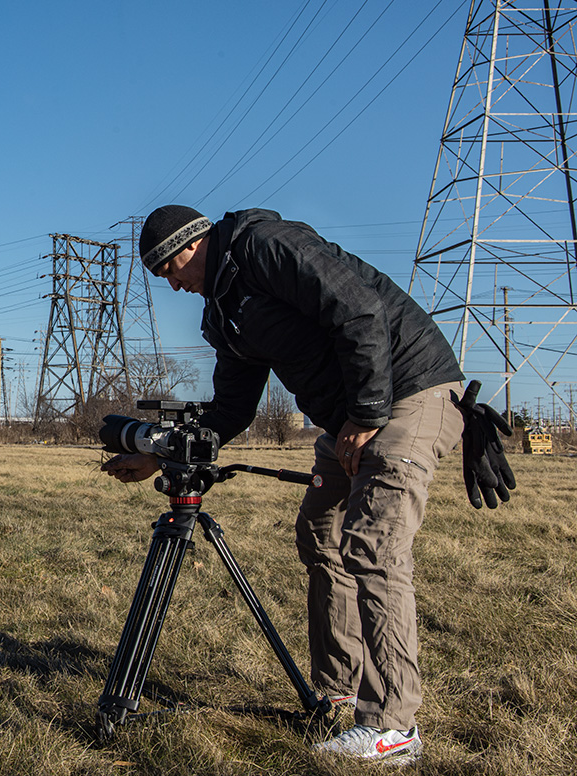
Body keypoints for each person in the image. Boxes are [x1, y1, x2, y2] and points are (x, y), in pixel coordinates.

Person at [101, 205, 465, 764]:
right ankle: (338, 694)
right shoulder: (222, 315)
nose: (173, 284)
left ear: (195, 240)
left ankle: (393, 726)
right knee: (319, 533)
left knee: (373, 548)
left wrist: (367, 416)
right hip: (352, 415)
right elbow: (232, 407)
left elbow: (360, 309)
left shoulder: (263, 244)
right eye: (162, 277)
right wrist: (155, 458)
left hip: (409, 389)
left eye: (171, 267)